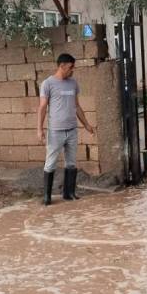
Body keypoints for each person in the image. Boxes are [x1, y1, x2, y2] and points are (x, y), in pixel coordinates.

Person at [37, 53, 95, 205]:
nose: (72, 70)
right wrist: (39, 129)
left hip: (72, 130)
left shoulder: (73, 83)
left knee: (71, 163)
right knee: (50, 163)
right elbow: (42, 107)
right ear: (61, 66)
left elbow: (77, 106)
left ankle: (69, 193)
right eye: (71, 67)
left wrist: (86, 124)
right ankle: (47, 196)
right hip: (55, 131)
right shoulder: (47, 84)